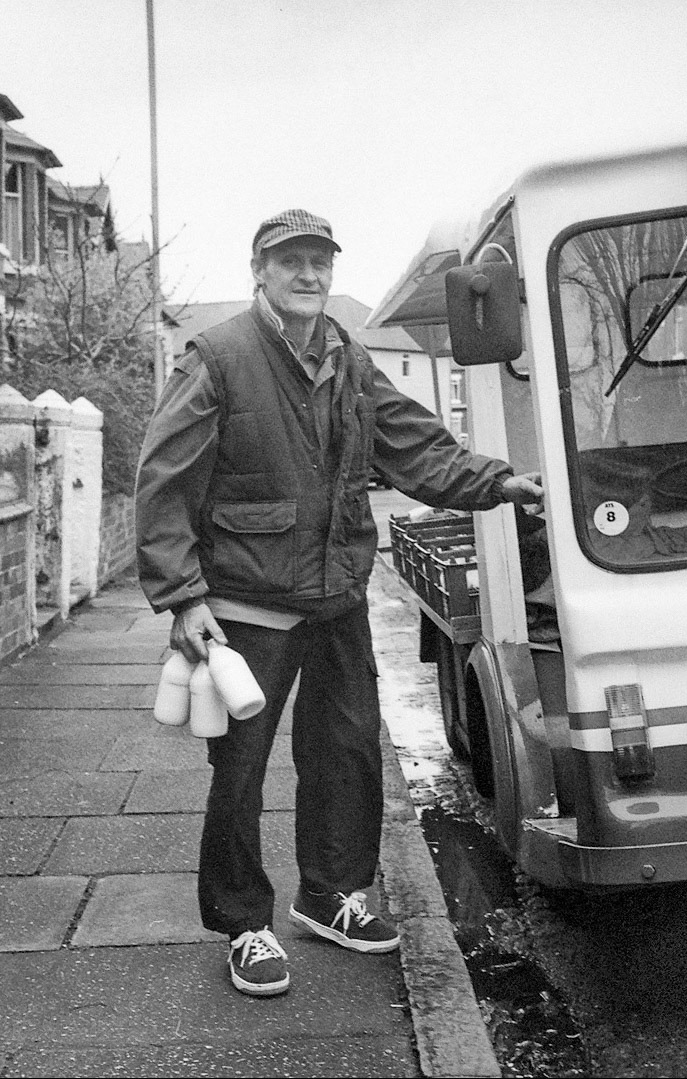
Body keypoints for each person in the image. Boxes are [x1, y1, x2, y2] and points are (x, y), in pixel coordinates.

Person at [134, 209, 543, 997]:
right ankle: (243, 923)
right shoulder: (218, 357)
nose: (308, 274)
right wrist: (183, 597)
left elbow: (415, 445)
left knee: (347, 753)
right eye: (291, 260)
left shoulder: (348, 358)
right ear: (259, 270)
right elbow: (164, 479)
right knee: (240, 770)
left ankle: (328, 894)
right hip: (246, 602)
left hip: (337, 594)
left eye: (319, 261)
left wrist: (497, 481)